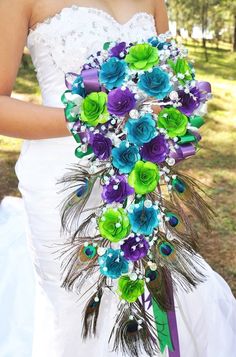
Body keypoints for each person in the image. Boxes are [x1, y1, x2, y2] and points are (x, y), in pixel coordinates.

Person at [0, 1, 235, 356]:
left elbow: (174, 76)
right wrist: (92, 119)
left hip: (140, 177)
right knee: (76, 310)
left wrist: (173, 118)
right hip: (63, 182)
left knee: (151, 287)